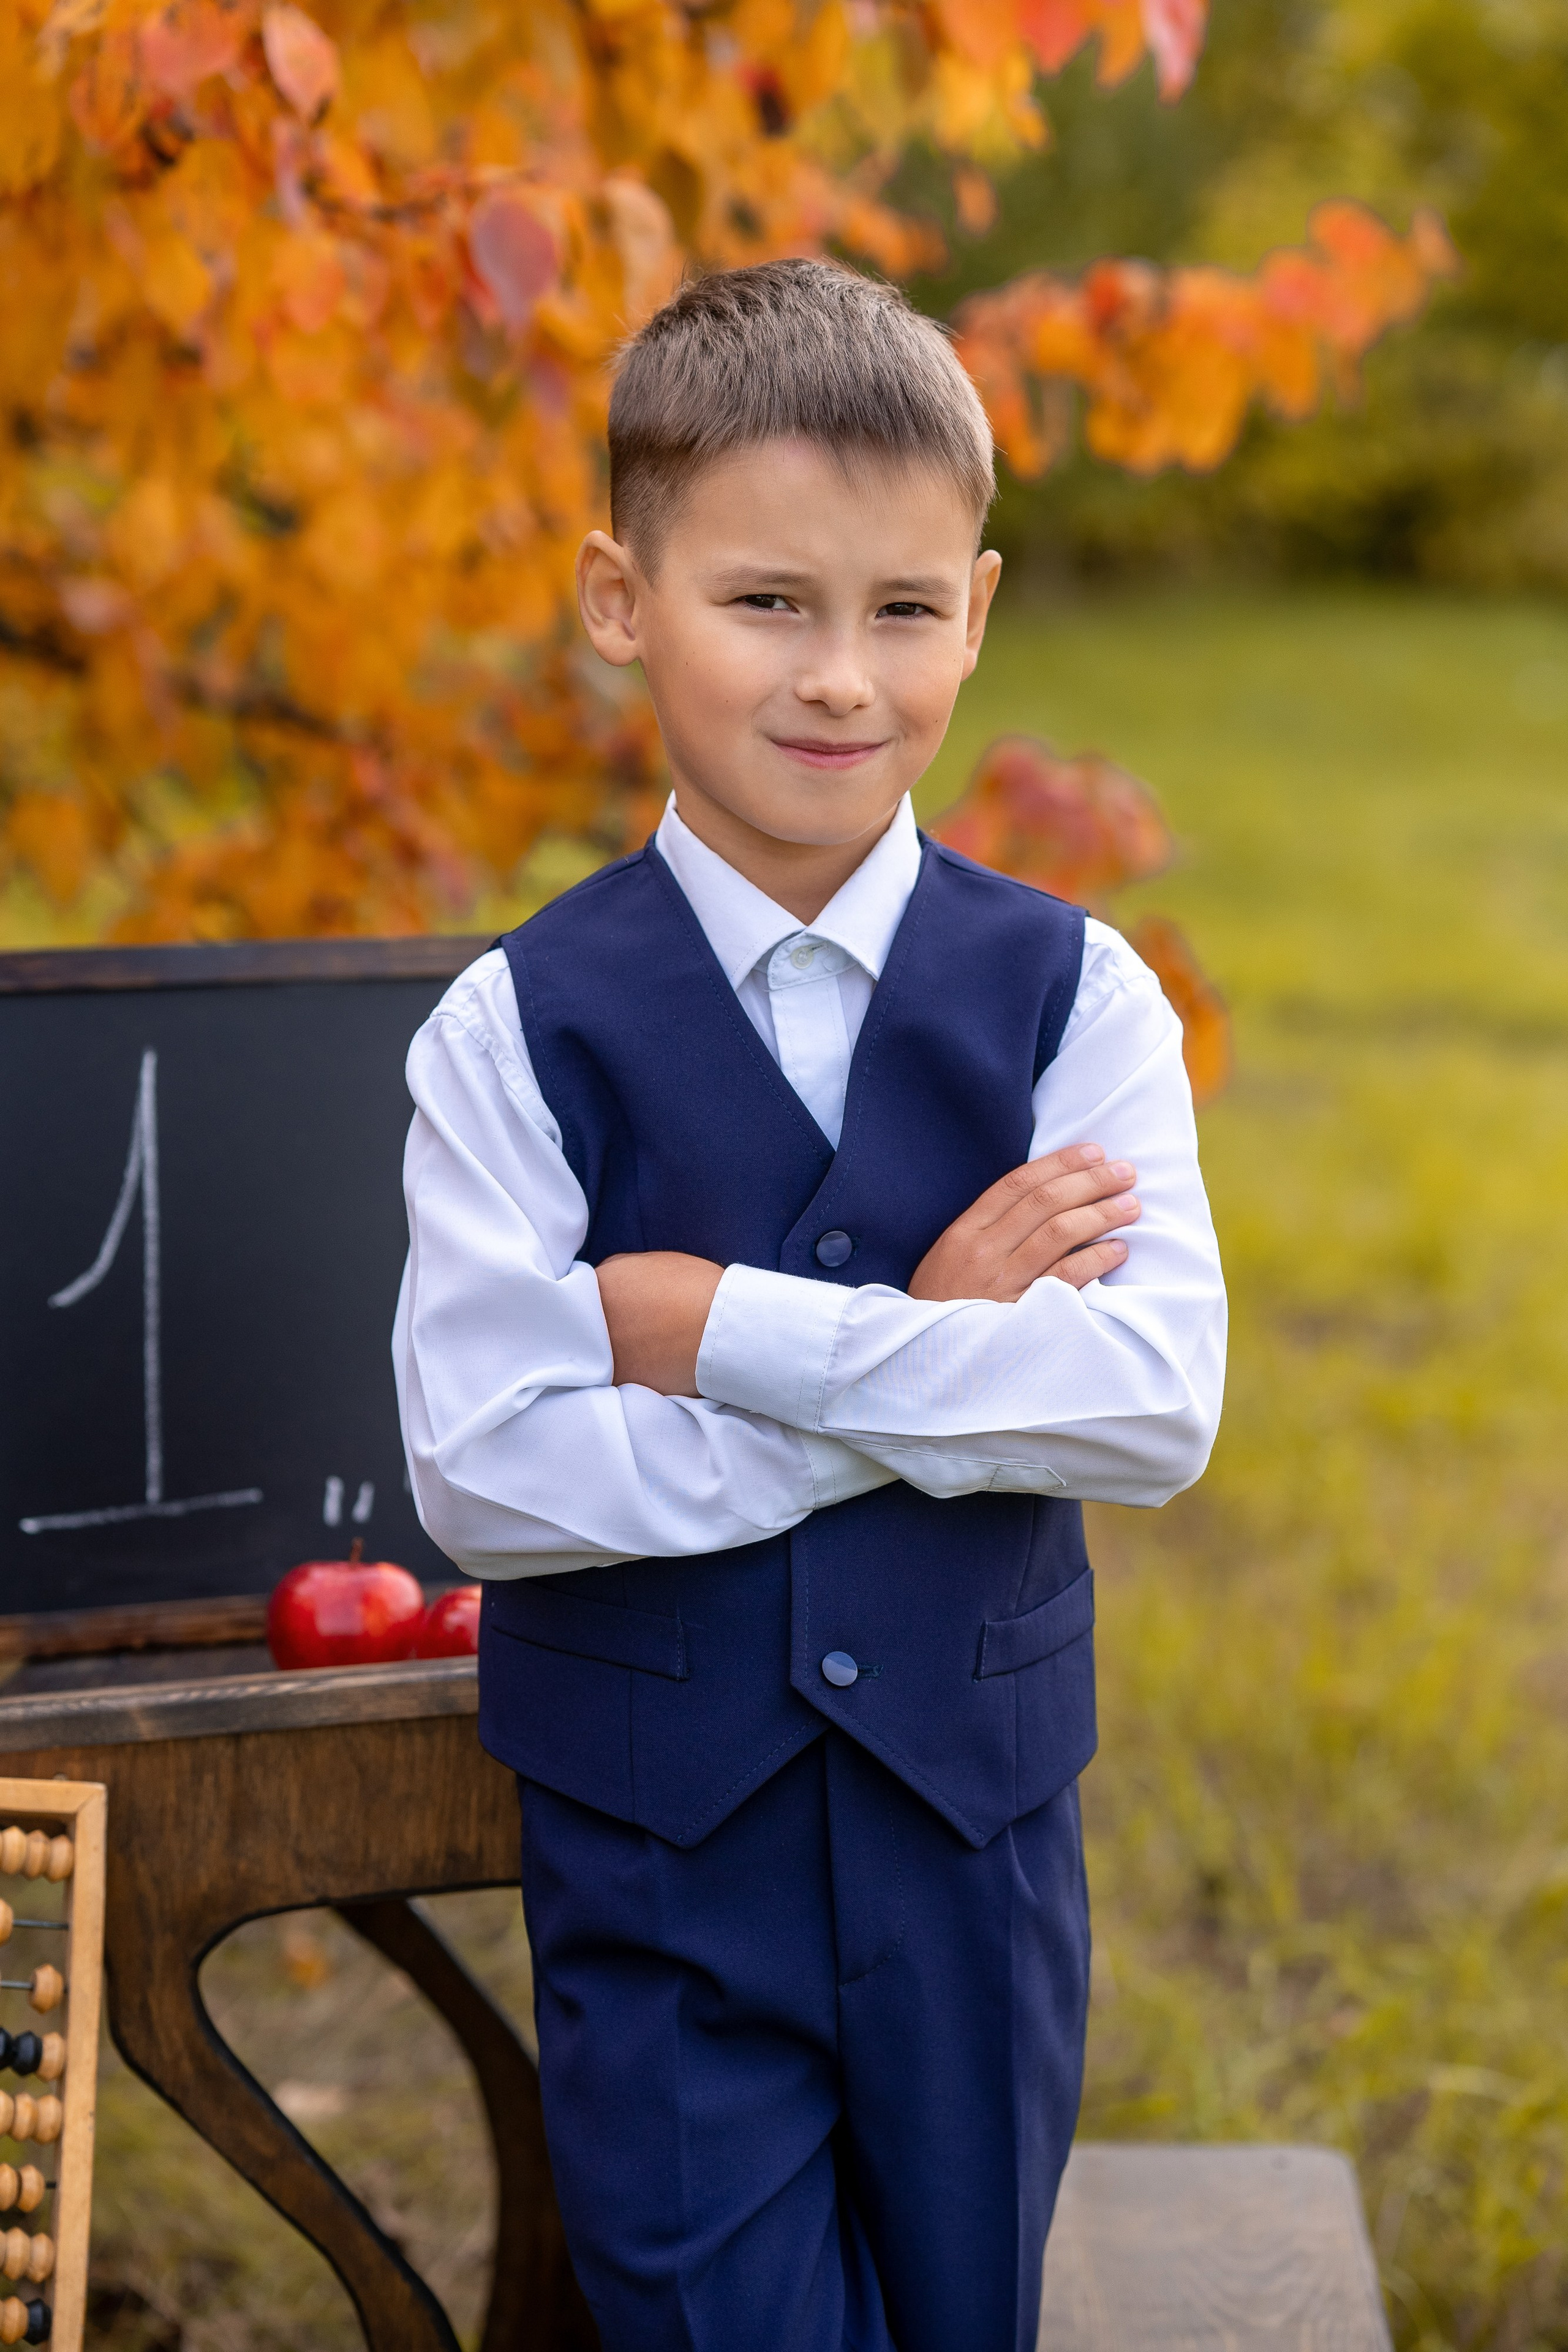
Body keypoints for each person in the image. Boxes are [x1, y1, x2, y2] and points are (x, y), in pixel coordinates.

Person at [394, 257, 1226, 2352]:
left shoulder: (1076, 997)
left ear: (980, 603)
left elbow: (1146, 1405)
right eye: (767, 602)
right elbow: (491, 1473)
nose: (841, 677)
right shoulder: (513, 1031)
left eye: (904, 611)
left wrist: (711, 1325)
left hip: (979, 1854)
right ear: (620, 601)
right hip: (664, 1872)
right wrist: (950, 1340)